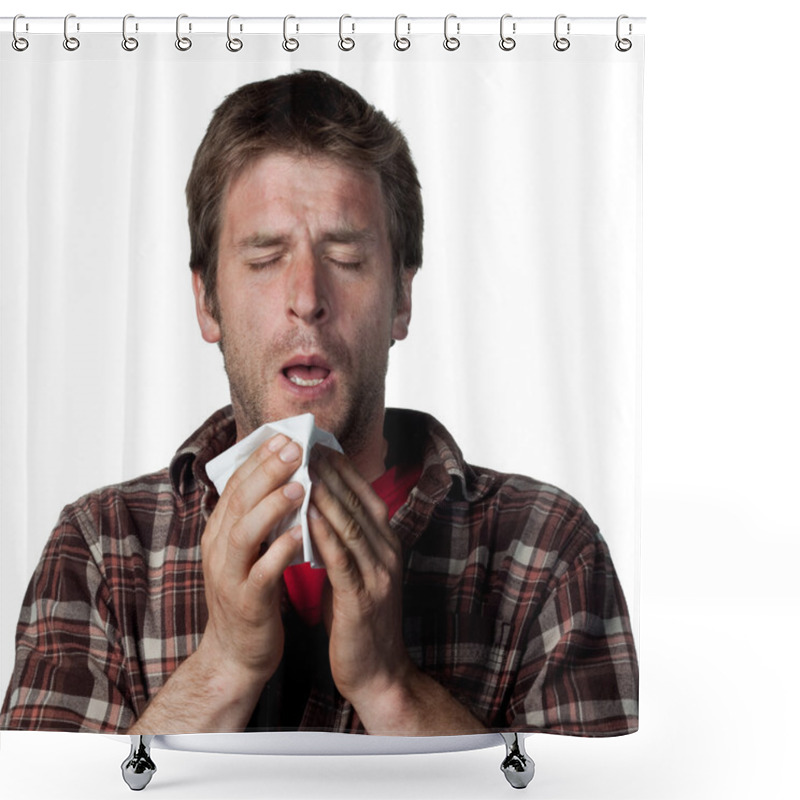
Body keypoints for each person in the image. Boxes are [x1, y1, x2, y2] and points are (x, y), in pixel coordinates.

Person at [1, 70, 638, 736]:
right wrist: (222, 668)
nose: (307, 297)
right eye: (265, 256)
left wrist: (390, 687)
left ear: (402, 299)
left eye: (346, 255)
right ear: (205, 301)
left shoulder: (550, 553)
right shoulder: (102, 552)